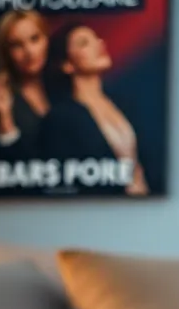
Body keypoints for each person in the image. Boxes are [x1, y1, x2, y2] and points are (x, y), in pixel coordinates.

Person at [38, 23, 148, 195]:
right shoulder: (61, 118)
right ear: (67, 64)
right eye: (84, 43)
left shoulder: (122, 103)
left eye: (97, 38)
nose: (99, 44)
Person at [0, 10, 50, 188]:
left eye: (35, 39)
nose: (29, 52)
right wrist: (4, 117)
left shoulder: (64, 87)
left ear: (46, 39)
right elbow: (4, 169)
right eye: (17, 45)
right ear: (5, 52)